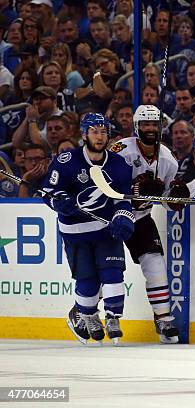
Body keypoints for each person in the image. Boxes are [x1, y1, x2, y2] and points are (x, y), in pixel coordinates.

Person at [42, 113, 135, 345]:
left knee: (113, 273)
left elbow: (122, 200)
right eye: (94, 131)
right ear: (84, 134)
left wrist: (123, 218)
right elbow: (48, 191)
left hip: (105, 230)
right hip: (75, 234)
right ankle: (89, 315)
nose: (100, 136)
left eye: (103, 132)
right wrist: (60, 201)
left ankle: (113, 318)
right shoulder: (66, 162)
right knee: (88, 281)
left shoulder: (118, 164)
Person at [107, 105, 190, 343]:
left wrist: (174, 199)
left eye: (154, 124)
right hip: (112, 216)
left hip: (142, 218)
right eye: (145, 124)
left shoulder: (167, 159)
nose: (150, 129)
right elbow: (104, 186)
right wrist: (134, 190)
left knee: (156, 265)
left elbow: (165, 200)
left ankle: (163, 319)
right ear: (136, 127)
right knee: (108, 267)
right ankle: (103, 313)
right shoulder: (120, 151)